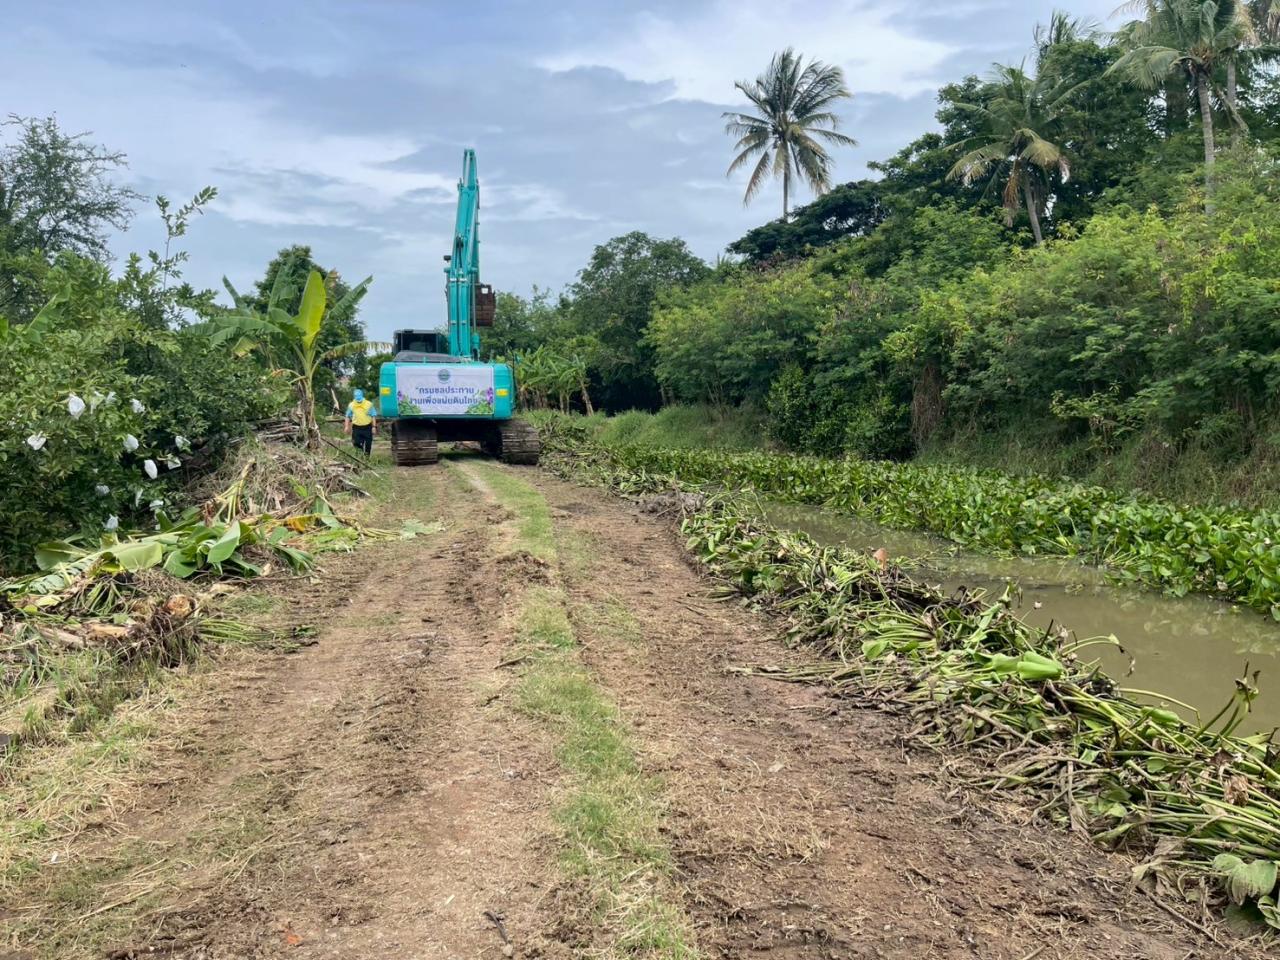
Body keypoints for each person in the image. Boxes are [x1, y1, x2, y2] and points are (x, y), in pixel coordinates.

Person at [344, 388, 377, 456]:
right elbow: (347, 416)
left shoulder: (369, 404)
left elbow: (373, 416)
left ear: (362, 396)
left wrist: (374, 427)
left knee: (368, 444)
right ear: (354, 397)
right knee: (356, 444)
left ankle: (367, 458)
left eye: (360, 399)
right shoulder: (351, 405)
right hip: (356, 428)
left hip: (367, 427)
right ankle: (360, 457)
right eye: (357, 399)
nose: (359, 401)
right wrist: (346, 426)